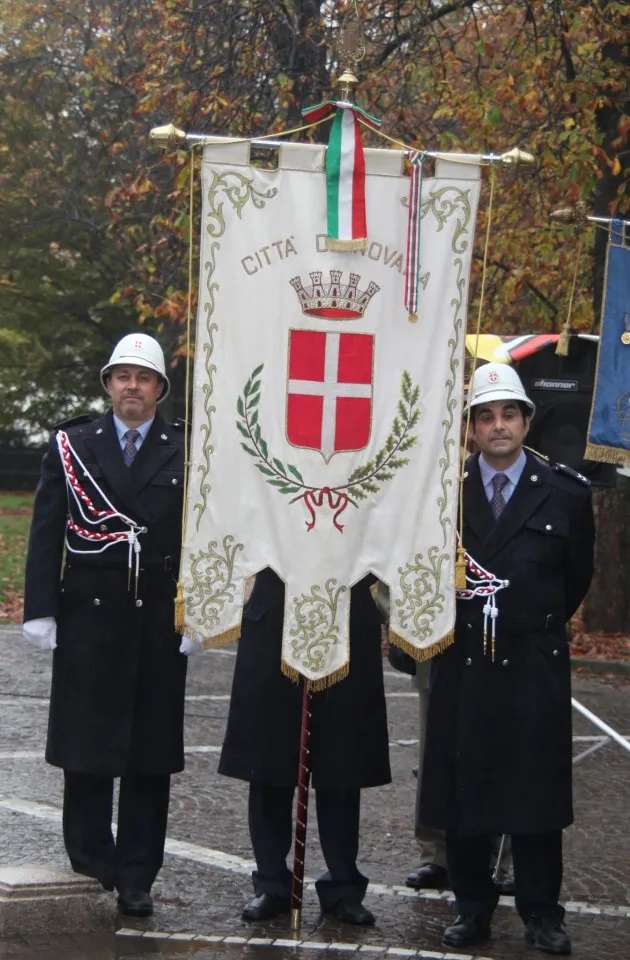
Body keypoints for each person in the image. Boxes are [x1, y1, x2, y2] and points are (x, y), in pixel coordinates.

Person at [419, 362, 595, 956]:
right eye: (486, 416)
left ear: (526, 421)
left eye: (509, 414)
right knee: (465, 787)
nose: (499, 425)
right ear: (471, 428)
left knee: (535, 792)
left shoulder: (566, 493)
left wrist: (524, 620)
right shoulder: (442, 493)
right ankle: (472, 908)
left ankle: (542, 912)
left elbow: (574, 580)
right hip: (464, 660)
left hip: (532, 662)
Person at [22, 333, 188, 918]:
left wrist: (201, 610)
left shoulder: (186, 448)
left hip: (158, 617)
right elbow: (47, 528)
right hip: (88, 616)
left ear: (159, 388)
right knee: (87, 745)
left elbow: (202, 537)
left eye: (143, 378)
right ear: (108, 385)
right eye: (122, 377)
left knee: (150, 753)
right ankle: (92, 859)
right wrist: (40, 607)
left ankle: (138, 874)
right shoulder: (73, 444)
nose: (132, 387)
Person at [218, 567, 391, 925]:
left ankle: (343, 884)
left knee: (342, 760)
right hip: (275, 610)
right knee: (268, 758)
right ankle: (271, 881)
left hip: (344, 607)